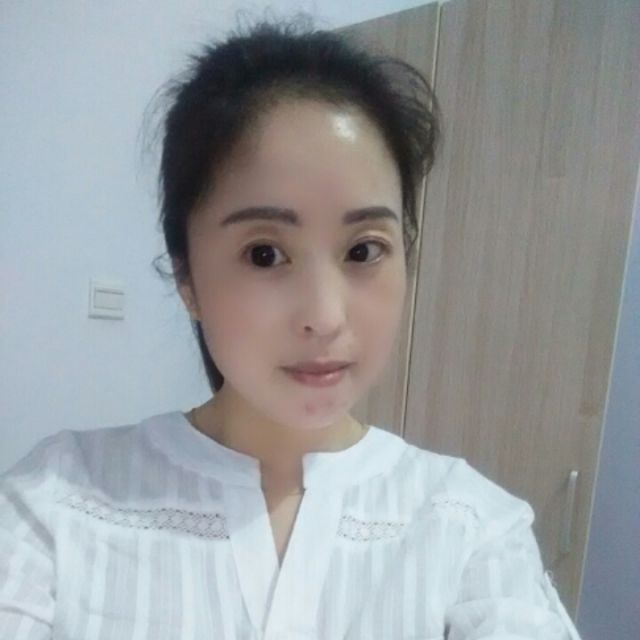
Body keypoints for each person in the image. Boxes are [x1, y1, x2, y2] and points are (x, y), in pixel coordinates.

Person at [0, 14, 582, 640]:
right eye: (264, 254)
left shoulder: (471, 530)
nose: (325, 317)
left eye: (363, 250)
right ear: (187, 276)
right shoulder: (56, 508)